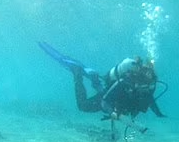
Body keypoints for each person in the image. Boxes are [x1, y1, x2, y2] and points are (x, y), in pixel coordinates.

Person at [38, 42, 167, 122]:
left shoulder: (149, 86)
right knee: (83, 106)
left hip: (114, 98)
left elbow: (150, 99)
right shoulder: (126, 82)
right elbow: (105, 100)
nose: (146, 85)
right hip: (109, 98)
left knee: (102, 89)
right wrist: (112, 113)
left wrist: (159, 114)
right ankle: (77, 74)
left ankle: (94, 78)